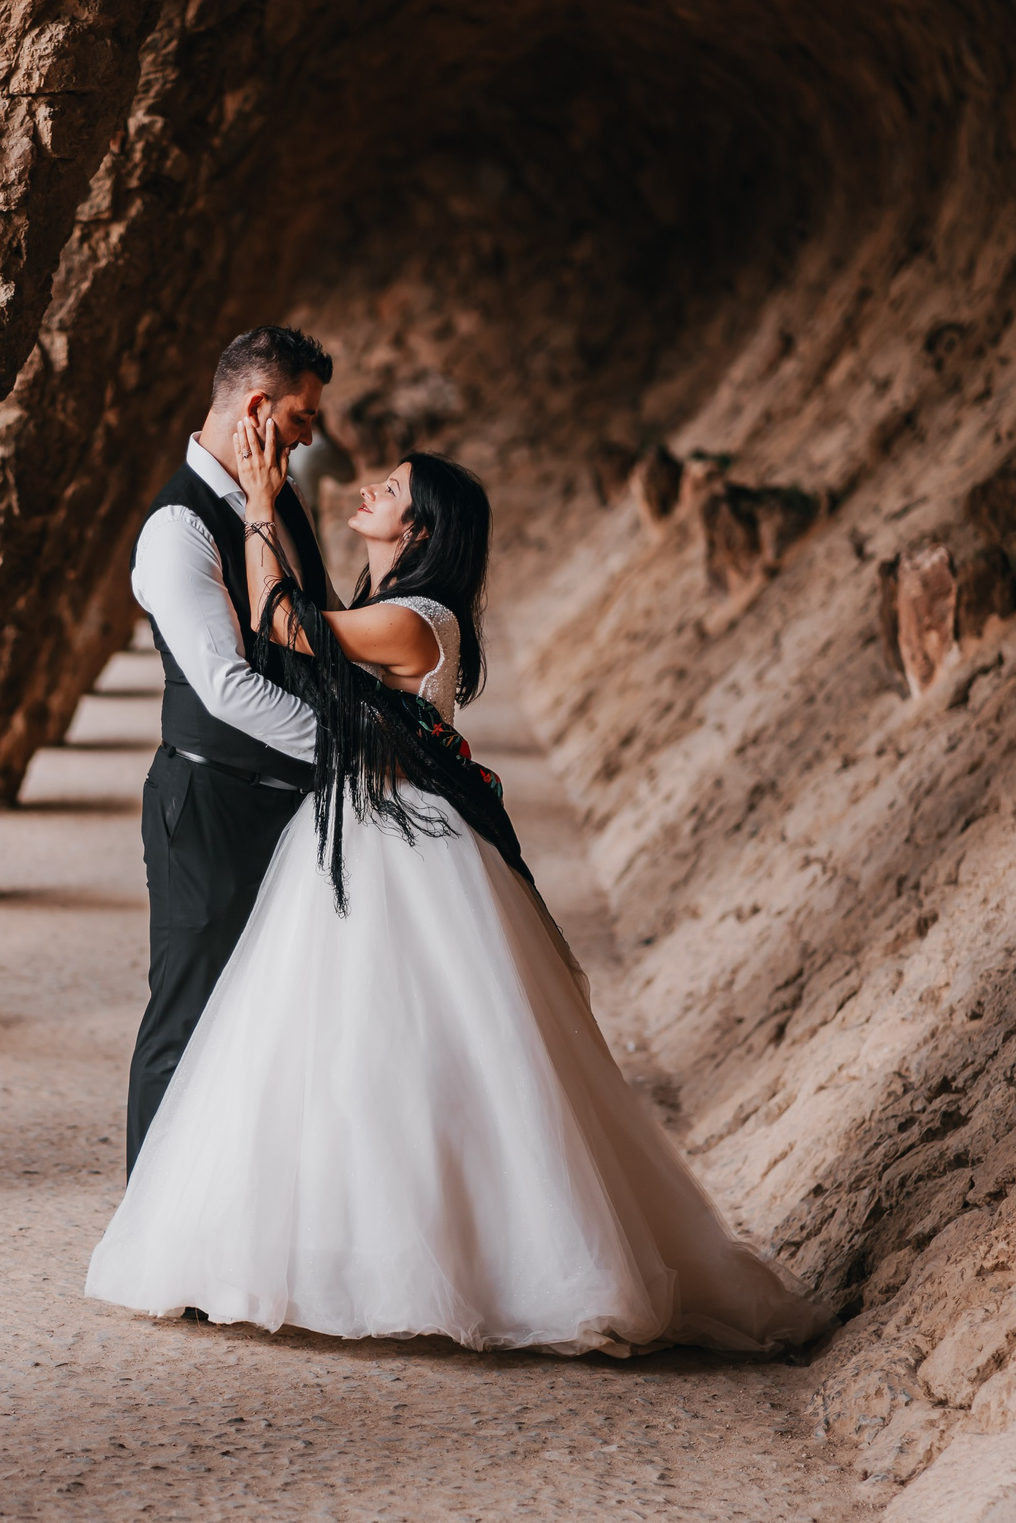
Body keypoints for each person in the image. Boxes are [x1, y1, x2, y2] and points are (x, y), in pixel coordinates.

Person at [86, 415, 828, 1356]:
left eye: (390, 490)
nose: (369, 490)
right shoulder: (388, 603)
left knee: (415, 1054)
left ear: (421, 529)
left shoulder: (414, 620)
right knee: (340, 1054)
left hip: (404, 846)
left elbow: (282, 625)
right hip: (356, 833)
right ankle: (349, 1253)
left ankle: (480, 1265)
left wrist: (266, 503)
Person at [122, 327, 333, 1173]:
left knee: (266, 1023)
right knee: (186, 1022)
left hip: (287, 805)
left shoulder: (276, 500)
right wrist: (351, 751)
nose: (309, 435)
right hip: (208, 809)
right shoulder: (178, 527)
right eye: (301, 416)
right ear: (255, 407)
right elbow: (225, 687)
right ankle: (150, 1225)